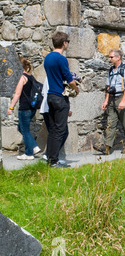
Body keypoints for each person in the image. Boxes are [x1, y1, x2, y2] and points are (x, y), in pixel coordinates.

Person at [44, 31, 79, 168]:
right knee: (60, 130)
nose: (68, 44)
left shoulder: (48, 58)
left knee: (53, 129)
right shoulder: (61, 58)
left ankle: (51, 158)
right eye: (68, 42)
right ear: (64, 43)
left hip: (50, 95)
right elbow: (68, 78)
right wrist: (75, 88)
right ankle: (53, 161)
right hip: (60, 96)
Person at [94, 49, 125, 155]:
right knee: (110, 123)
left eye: (111, 57)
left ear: (118, 57)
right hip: (112, 99)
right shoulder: (111, 70)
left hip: (122, 98)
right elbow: (109, 87)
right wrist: (106, 100)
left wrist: (123, 101)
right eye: (109, 57)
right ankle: (107, 148)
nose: (109, 59)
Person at [7, 57, 41, 160]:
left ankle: (29, 153)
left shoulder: (23, 78)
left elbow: (17, 94)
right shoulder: (31, 77)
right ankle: (34, 146)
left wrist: (11, 107)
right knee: (20, 128)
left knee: (25, 130)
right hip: (32, 108)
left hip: (24, 108)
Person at [40, 78, 72, 164]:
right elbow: (63, 94)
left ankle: (50, 155)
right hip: (55, 106)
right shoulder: (58, 77)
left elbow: (43, 92)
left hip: (46, 107)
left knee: (53, 132)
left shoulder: (48, 77)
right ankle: (51, 156)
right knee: (61, 132)